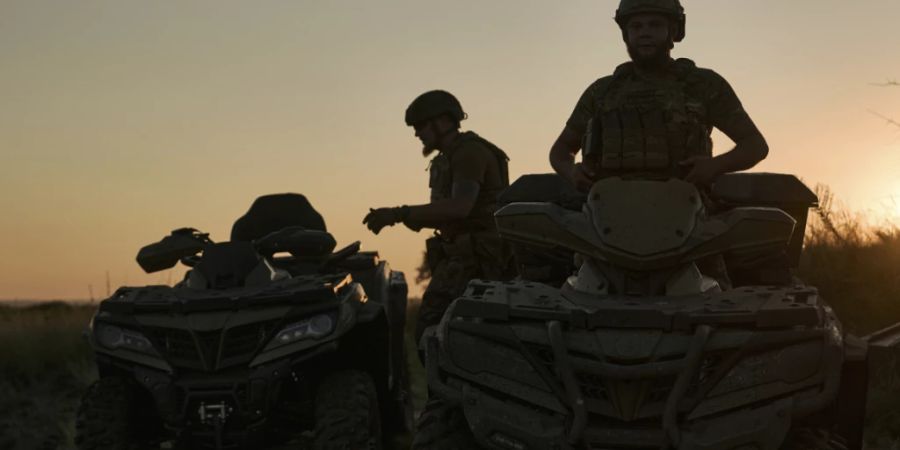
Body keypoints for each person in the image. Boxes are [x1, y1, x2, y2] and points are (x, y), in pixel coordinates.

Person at [548, 0, 768, 193]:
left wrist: (715, 166)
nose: (644, 33)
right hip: (605, 211)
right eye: (636, 26)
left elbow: (755, 145)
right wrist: (572, 172)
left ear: (672, 31)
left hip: (688, 212)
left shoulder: (703, 84)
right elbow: (561, 150)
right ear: (626, 34)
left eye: (655, 24)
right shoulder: (602, 91)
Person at [363, 90, 512, 343]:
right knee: (436, 335)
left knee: (433, 332)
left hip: (480, 262)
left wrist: (400, 213)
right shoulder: (448, 158)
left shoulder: (469, 153)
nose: (417, 133)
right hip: (461, 258)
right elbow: (446, 215)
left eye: (421, 126)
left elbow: (459, 208)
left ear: (443, 122)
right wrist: (399, 217)